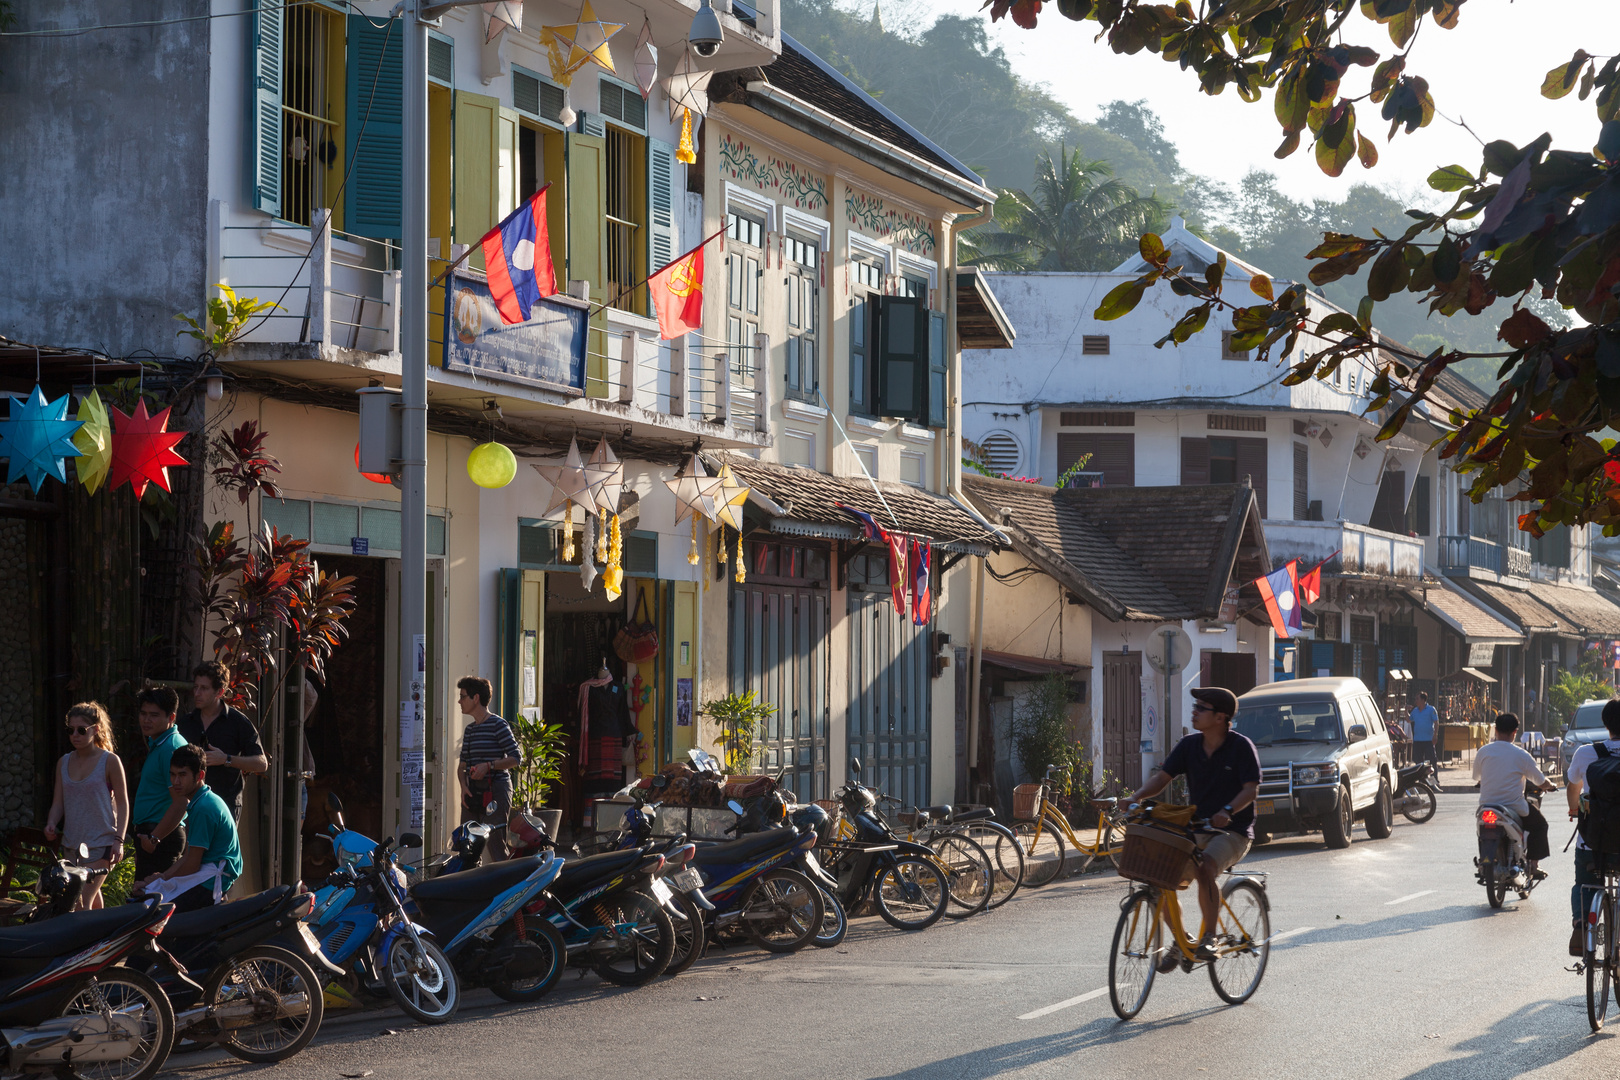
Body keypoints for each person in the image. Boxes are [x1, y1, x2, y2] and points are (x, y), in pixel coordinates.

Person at [1126, 686, 1261, 968]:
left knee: (1205, 868)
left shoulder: (1241, 747)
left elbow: (1250, 790)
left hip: (1232, 831)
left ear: (1221, 717)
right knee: (1161, 877)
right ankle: (1181, 940)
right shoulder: (1189, 745)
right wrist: (1136, 797)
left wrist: (1227, 810)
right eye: (1195, 706)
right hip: (1197, 827)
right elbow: (1163, 778)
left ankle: (1209, 937)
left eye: (1201, 708)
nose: (1194, 711)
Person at [131, 744, 242, 913]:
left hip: (211, 881)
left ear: (200, 775)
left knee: (156, 911)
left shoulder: (203, 807)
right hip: (208, 874)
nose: (176, 782)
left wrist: (159, 881)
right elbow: (190, 857)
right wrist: (160, 878)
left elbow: (191, 865)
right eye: (173, 775)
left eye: (182, 775)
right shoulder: (202, 801)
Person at [43, 703, 129, 910]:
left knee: (80, 902)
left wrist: (119, 840)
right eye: (70, 730)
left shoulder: (110, 761)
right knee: (91, 902)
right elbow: (58, 802)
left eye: (81, 730)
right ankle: (104, 939)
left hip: (102, 843)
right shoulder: (63, 762)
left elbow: (123, 802)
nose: (75, 735)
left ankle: (79, 943)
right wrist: (51, 823)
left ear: (95, 729)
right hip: (72, 844)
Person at [178, 661, 268, 822]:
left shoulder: (237, 722)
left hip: (226, 806)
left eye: (204, 688)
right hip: (191, 805)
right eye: (196, 687)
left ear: (219, 692)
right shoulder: (186, 723)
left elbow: (261, 763)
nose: (197, 693)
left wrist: (226, 759)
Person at [1566, 699, 1620, 956]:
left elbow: (1573, 785)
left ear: (1606, 723)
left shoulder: (1586, 753)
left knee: (1584, 882)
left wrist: (1574, 810)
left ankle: (1580, 923)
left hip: (1593, 843)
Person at [1472, 713, 1555, 877]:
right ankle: (1533, 865)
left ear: (1495, 730)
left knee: (1481, 830)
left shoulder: (1483, 752)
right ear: (1515, 732)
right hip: (1514, 806)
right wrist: (1550, 786)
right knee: (1540, 825)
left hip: (1487, 805)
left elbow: (1477, 777)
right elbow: (1540, 781)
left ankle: (1485, 861)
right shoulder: (1521, 755)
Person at [456, 676, 522, 860]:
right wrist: (463, 787)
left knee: (495, 844)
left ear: (475, 698)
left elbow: (516, 758)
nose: (459, 701)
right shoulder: (470, 730)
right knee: (467, 844)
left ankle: (507, 885)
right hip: (473, 792)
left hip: (496, 791)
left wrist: (489, 766)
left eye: (463, 696)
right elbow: (462, 766)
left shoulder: (498, 725)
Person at [132, 686, 189, 881]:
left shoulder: (170, 748)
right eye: (143, 714)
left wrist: (154, 838)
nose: (146, 720)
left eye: (154, 715)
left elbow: (181, 802)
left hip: (161, 837)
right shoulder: (160, 743)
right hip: (153, 836)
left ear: (171, 718)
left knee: (151, 906)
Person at [1409, 692, 1440, 769]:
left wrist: (1435, 735)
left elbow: (1436, 723)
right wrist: (1406, 711)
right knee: (1418, 762)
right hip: (1417, 740)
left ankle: (1434, 778)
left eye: (1417, 699)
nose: (1416, 701)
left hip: (1428, 740)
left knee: (1431, 760)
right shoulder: (1415, 711)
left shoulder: (1431, 709)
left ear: (1423, 700)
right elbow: (1409, 720)